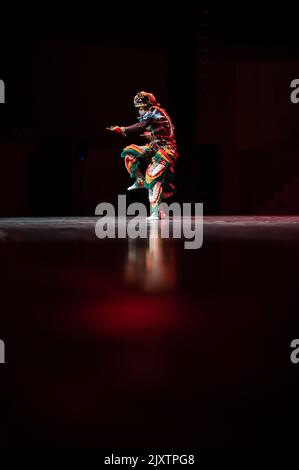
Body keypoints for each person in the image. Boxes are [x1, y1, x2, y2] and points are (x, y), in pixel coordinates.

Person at [107, 91, 178, 220]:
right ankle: (139, 180)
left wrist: (123, 129)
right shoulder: (154, 113)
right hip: (154, 147)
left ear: (149, 106)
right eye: (139, 109)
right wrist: (151, 135)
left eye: (143, 108)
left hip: (166, 151)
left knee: (153, 178)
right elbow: (160, 130)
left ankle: (156, 213)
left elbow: (141, 126)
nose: (141, 111)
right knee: (130, 153)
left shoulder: (154, 111)